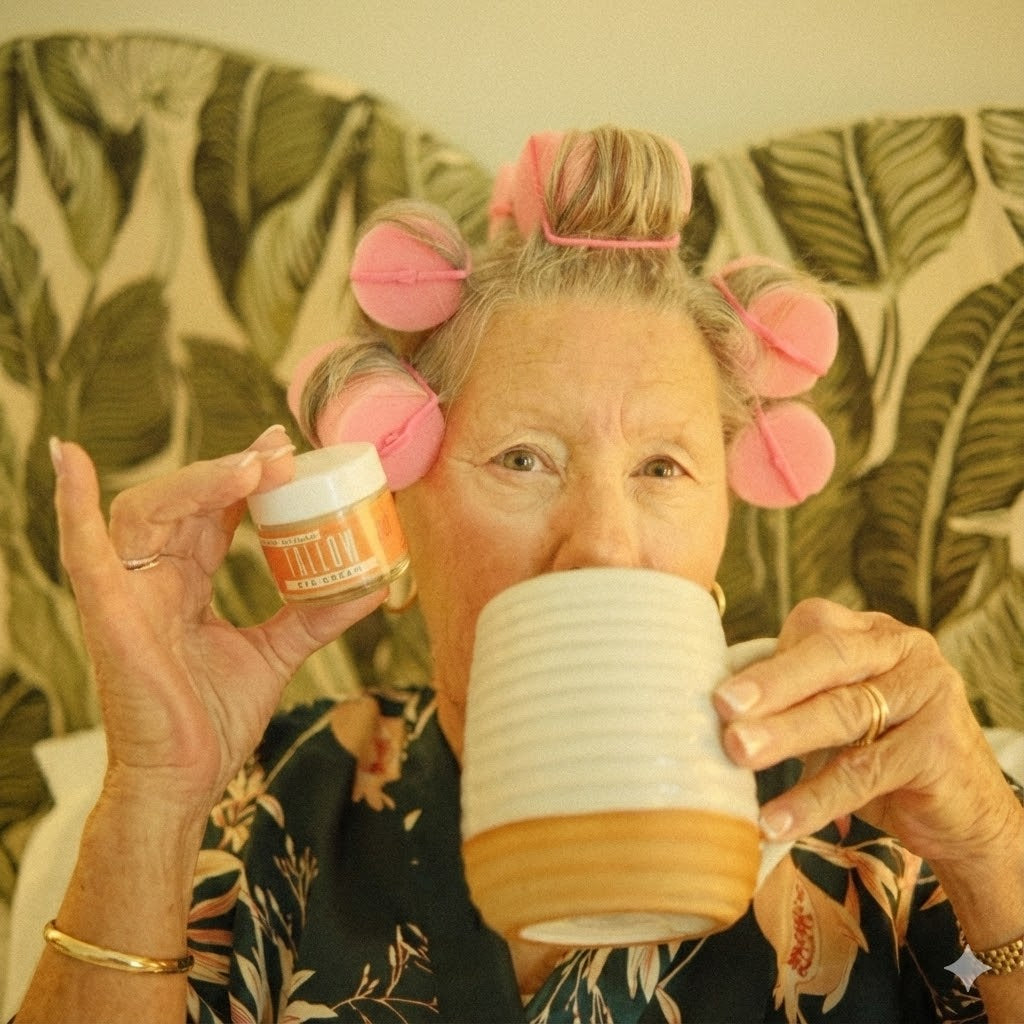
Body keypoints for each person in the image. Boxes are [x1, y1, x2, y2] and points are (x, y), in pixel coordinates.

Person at [15, 126, 1024, 1023]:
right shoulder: (262, 803)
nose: (602, 543)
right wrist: (152, 792)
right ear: (402, 513)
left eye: (662, 467)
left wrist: (986, 843)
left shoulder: (894, 815)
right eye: (524, 459)